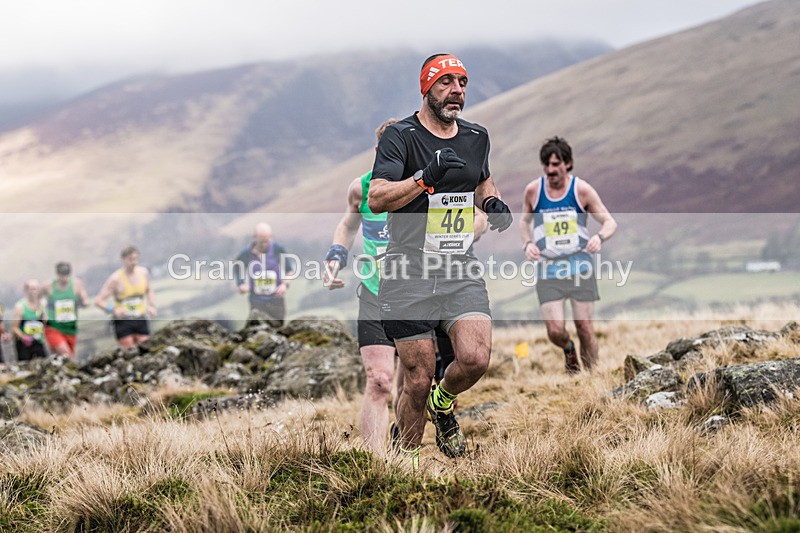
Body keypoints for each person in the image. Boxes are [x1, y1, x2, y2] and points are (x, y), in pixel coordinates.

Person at [369, 53, 513, 464]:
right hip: (408, 270)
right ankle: (406, 466)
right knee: (416, 377)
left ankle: (444, 400)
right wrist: (423, 178)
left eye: (463, 83)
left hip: (458, 268)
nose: (457, 91)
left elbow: (481, 176)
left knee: (474, 359)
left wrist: (491, 201)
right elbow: (377, 198)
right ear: (427, 88)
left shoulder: (476, 136)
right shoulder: (401, 136)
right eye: (447, 82)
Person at [324, 118, 489, 455]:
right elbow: (347, 223)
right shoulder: (362, 188)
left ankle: (403, 449)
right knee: (380, 380)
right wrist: (336, 254)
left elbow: (473, 213)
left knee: (413, 381)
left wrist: (465, 234)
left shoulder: (432, 186)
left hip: (414, 289)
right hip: (374, 291)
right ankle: (376, 461)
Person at [519, 136, 617, 373]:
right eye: (547, 165)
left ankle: (592, 378)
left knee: (585, 326)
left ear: (568, 164)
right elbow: (524, 221)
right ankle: (568, 348)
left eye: (556, 164)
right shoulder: (533, 190)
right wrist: (528, 243)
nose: (551, 170)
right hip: (548, 268)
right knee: (555, 331)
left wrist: (599, 237)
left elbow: (609, 221)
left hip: (579, 266)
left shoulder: (581, 190)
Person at [233, 223, 297, 325]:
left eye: (267, 241)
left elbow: (290, 270)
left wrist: (285, 285)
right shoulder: (246, 252)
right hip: (256, 302)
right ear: (254, 238)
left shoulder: (277, 249)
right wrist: (241, 284)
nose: (264, 244)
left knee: (278, 332)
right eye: (261, 241)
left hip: (276, 301)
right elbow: (237, 267)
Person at [95, 245, 157, 348]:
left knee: (146, 349)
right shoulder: (115, 279)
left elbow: (149, 290)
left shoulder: (143, 273)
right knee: (129, 352)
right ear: (123, 260)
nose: (134, 262)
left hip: (140, 318)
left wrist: (151, 306)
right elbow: (99, 301)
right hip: (123, 321)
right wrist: (114, 310)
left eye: (136, 259)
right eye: (131, 259)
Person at [40, 262, 90, 357]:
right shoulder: (48, 286)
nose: (64, 278)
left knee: (66, 358)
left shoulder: (77, 284)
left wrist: (83, 302)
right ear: (57, 274)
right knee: (65, 353)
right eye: (62, 275)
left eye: (67, 274)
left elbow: (85, 300)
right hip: (53, 327)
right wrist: (42, 313)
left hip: (70, 327)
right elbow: (36, 300)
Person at [12, 279, 48, 361]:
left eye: (36, 289)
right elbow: (14, 328)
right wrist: (23, 337)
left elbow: (45, 323)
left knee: (43, 363)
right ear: (26, 290)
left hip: (38, 340)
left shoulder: (42, 304)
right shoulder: (20, 307)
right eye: (32, 289)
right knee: (25, 366)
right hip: (24, 343)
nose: (34, 292)